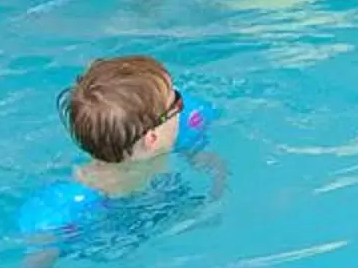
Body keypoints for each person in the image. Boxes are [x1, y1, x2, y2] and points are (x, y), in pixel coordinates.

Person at [16, 53, 223, 253]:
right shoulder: (75, 200)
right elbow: (41, 246)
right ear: (152, 139)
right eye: (176, 101)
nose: (183, 103)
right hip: (109, 229)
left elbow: (204, 158)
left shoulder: (178, 132)